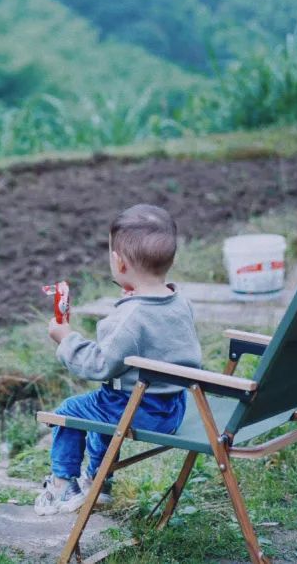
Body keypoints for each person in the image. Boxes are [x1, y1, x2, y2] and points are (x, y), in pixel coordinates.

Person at [35, 204, 201, 516]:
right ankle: (100, 484)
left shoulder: (129, 318)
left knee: (72, 410)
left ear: (118, 262)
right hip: (173, 407)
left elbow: (100, 366)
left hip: (140, 410)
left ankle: (62, 485)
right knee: (103, 411)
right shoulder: (179, 302)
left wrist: (65, 338)